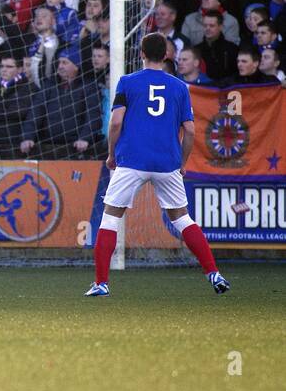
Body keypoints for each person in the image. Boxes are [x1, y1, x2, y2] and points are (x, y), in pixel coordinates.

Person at [87, 32, 229, 297]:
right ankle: (213, 273)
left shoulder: (127, 82)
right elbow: (190, 130)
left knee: (110, 217)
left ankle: (101, 283)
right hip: (167, 162)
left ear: (141, 54)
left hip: (132, 160)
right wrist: (182, 163)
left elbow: (116, 122)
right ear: (166, 56)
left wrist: (111, 154)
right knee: (183, 218)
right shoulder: (179, 87)